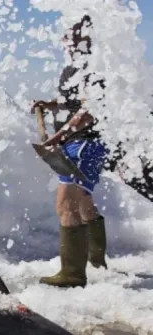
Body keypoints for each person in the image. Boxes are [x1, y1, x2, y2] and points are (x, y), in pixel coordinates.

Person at [31, 15, 108, 288]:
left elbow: (90, 111)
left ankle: (73, 275)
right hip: (81, 143)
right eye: (68, 34)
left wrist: (59, 136)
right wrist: (50, 105)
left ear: (89, 36)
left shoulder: (92, 67)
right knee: (84, 201)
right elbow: (73, 104)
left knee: (66, 204)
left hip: (84, 142)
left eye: (77, 34)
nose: (70, 39)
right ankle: (97, 259)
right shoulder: (72, 68)